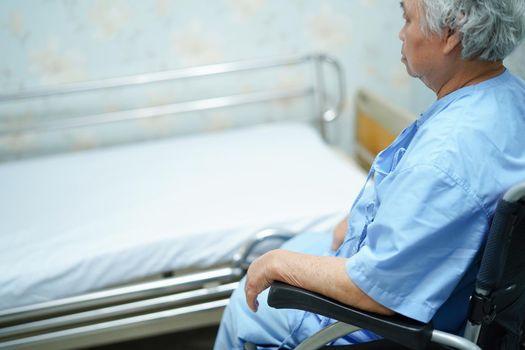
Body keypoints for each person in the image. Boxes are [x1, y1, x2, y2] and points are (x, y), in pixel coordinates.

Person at [214, 0, 525, 348]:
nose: (401, 32)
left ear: (450, 33)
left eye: (408, 18)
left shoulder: (446, 157)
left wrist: (276, 265)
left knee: (247, 301)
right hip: (429, 285)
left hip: (368, 325)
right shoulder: (509, 96)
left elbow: (379, 292)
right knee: (301, 247)